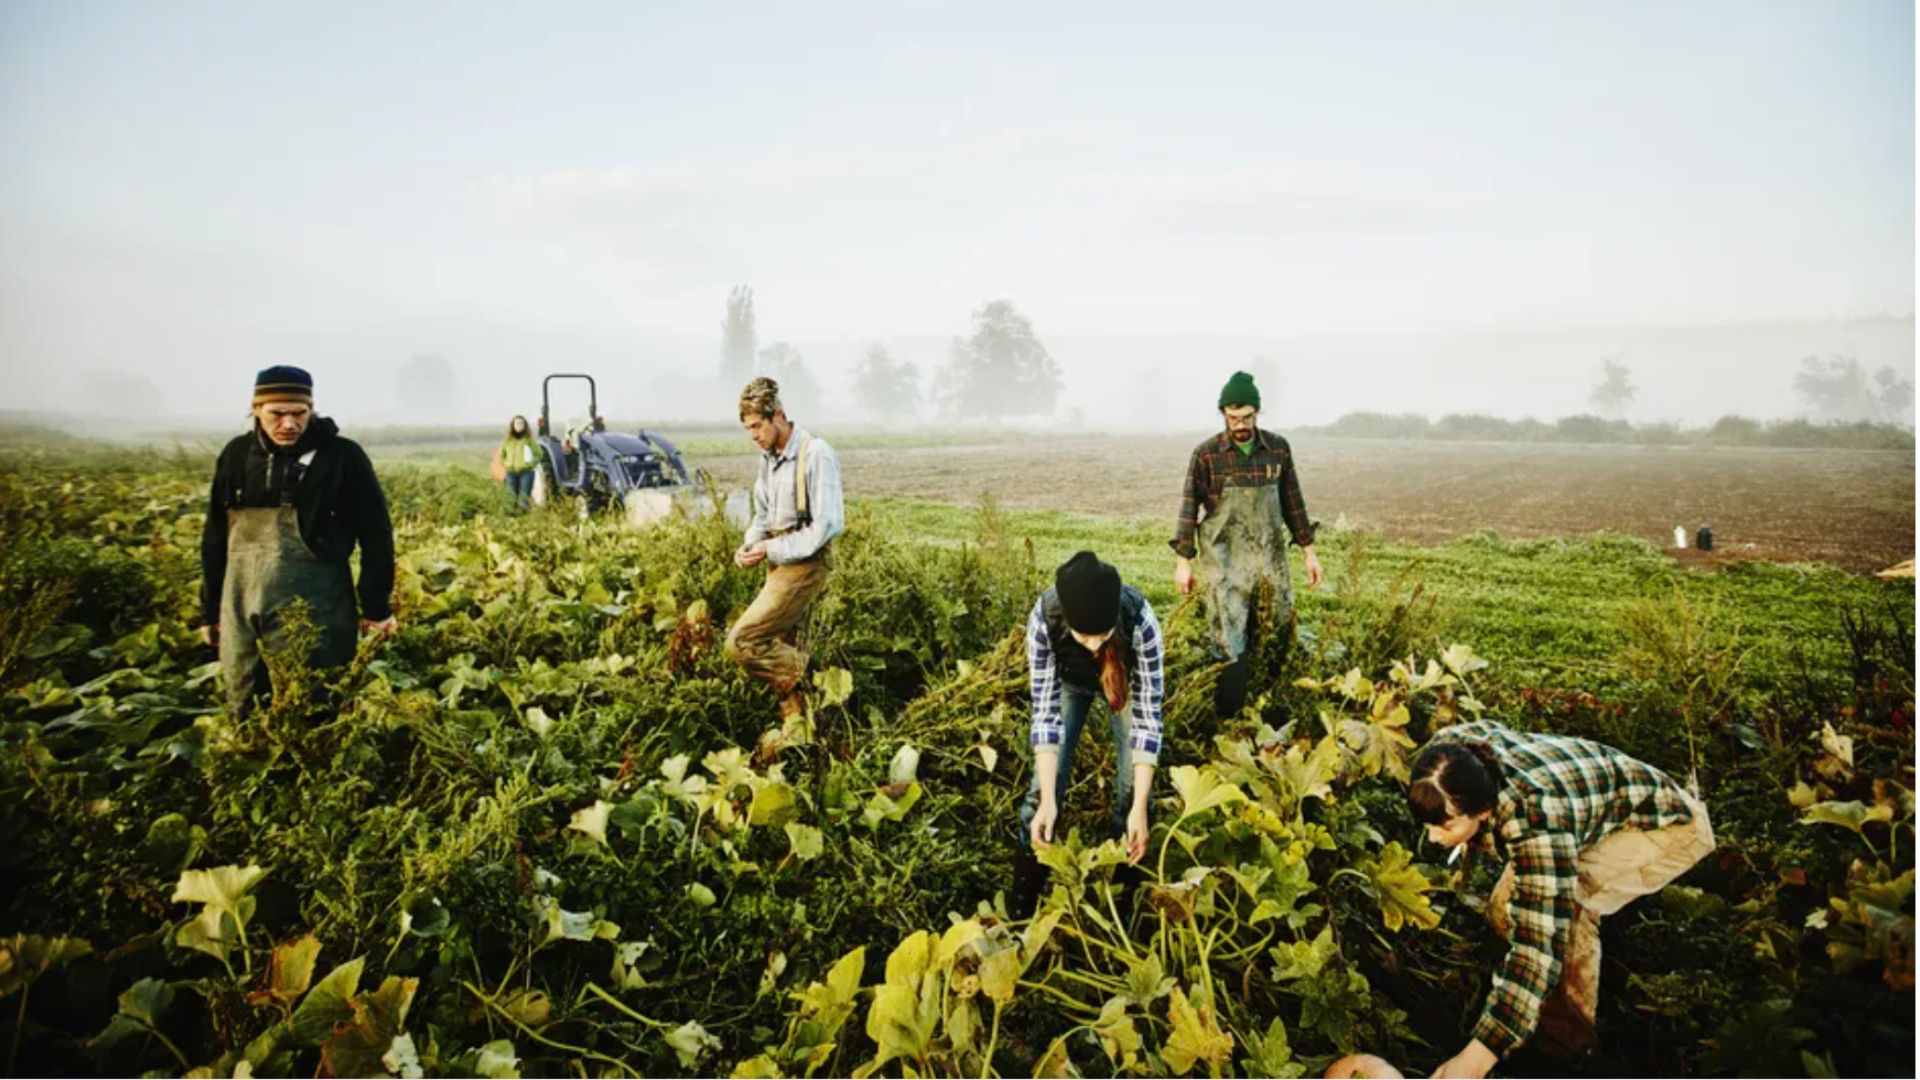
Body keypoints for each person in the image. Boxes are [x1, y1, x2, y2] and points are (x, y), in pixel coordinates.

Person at [1409, 720, 1715, 1077]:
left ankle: (1567, 1049)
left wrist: (1478, 1056)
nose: (1432, 839)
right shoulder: (1445, 759)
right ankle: (1537, 1006)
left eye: (1444, 828)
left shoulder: (1537, 822)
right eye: (1428, 825)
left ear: (1484, 811)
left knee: (1566, 919)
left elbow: (1537, 946)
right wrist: (1458, 830)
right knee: (1504, 909)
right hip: (1591, 808)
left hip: (1668, 828)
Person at [197, 366, 397, 718]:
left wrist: (376, 607)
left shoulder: (342, 457)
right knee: (245, 701)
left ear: (311, 409)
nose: (288, 424)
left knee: (317, 706)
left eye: (298, 413)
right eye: (277, 414)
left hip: (319, 608)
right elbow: (215, 536)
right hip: (241, 605)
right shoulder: (236, 455)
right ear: (255, 409)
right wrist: (210, 610)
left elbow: (376, 534)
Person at [1008, 551, 1165, 917]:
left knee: (1133, 797)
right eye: (1084, 636)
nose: (1094, 646)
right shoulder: (1044, 620)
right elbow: (1045, 717)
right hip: (1069, 684)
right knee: (1038, 797)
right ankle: (1020, 913)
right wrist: (1049, 798)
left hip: (1122, 676)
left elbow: (1147, 720)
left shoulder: (1141, 623)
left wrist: (1140, 806)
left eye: (1102, 636)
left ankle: (1121, 907)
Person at [1170, 370, 1324, 718]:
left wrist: (1309, 553)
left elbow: (1293, 502)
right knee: (1228, 635)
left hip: (1270, 560)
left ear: (1258, 413)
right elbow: (1188, 507)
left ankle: (1271, 710)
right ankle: (1229, 718)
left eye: (1247, 417)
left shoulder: (1278, 449)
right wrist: (1184, 561)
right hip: (1224, 563)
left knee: (1276, 629)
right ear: (1223, 413)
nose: (1240, 424)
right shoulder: (1207, 455)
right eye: (1233, 417)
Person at [725, 377, 845, 719]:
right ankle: (804, 732)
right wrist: (750, 545)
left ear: (778, 415)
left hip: (807, 561)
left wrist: (769, 549)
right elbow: (761, 515)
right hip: (778, 560)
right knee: (784, 646)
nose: (754, 436)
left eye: (758, 426)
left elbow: (826, 525)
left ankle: (821, 679)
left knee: (743, 643)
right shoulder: (768, 458)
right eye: (748, 429)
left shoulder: (816, 453)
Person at [498, 415, 538, 510]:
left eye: (521, 423)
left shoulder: (529, 441)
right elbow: (501, 454)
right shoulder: (508, 441)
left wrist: (530, 464)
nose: (519, 425)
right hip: (511, 473)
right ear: (513, 425)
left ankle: (525, 519)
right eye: (517, 423)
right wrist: (506, 464)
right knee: (510, 499)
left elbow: (538, 454)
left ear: (525, 426)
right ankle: (512, 519)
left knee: (523, 501)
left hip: (526, 472)